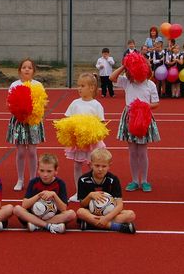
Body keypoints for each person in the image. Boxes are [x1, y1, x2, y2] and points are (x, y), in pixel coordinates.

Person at [109, 56, 160, 192]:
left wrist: (145, 106)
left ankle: (144, 180)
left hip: (144, 117)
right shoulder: (128, 82)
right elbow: (112, 78)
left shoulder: (150, 84)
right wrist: (125, 66)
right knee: (132, 151)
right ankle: (134, 180)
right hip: (129, 116)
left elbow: (156, 103)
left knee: (142, 152)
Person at [62, 72, 105, 201]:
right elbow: (67, 120)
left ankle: (91, 191)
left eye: (82, 85)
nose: (79, 88)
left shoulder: (96, 105)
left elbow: (101, 124)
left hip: (92, 142)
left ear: (91, 88)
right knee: (77, 165)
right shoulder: (75, 103)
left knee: (92, 166)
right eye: (78, 85)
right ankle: (79, 191)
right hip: (78, 143)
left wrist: (92, 133)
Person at [6, 59, 46, 191]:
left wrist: (33, 111)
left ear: (34, 70)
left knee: (33, 151)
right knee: (21, 151)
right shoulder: (14, 85)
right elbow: (9, 103)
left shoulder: (38, 85)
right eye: (24, 67)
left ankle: (33, 179)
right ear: (19, 70)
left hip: (33, 122)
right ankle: (20, 179)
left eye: (29, 67)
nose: (27, 69)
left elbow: (42, 104)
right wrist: (19, 111)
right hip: (19, 121)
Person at [75, 148, 136, 233]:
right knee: (80, 212)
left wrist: (106, 218)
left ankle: (91, 224)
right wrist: (90, 196)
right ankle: (116, 227)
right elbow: (82, 204)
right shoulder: (83, 179)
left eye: (104, 166)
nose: (100, 169)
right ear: (91, 164)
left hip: (109, 213)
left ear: (109, 165)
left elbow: (119, 205)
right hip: (92, 212)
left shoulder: (113, 180)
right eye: (97, 165)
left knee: (130, 215)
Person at [13, 154, 77, 233]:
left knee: (71, 214)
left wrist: (54, 195)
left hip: (53, 216)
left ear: (56, 170)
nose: (45, 174)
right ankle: (49, 226)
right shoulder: (33, 182)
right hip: (34, 214)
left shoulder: (60, 183)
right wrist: (39, 195)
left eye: (49, 171)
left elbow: (63, 208)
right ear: (38, 170)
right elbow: (24, 205)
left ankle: (36, 225)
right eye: (42, 170)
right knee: (17, 209)